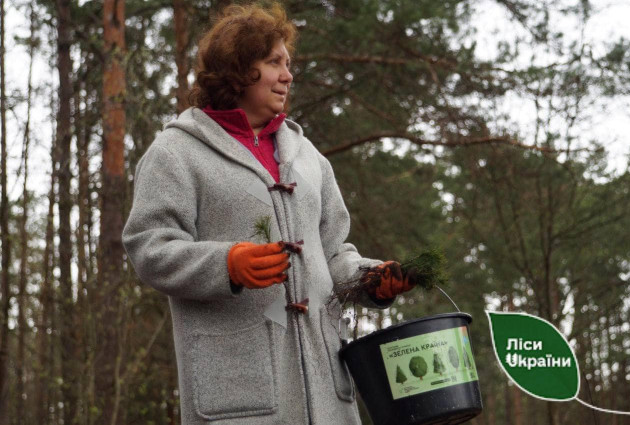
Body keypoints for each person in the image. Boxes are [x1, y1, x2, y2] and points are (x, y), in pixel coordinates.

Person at [122, 3, 416, 424]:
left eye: (288, 64)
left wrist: (371, 278)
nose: (288, 75)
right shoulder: (175, 153)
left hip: (328, 395)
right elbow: (149, 247)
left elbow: (333, 254)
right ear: (239, 70)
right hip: (237, 397)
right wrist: (226, 264)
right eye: (274, 62)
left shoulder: (310, 158)